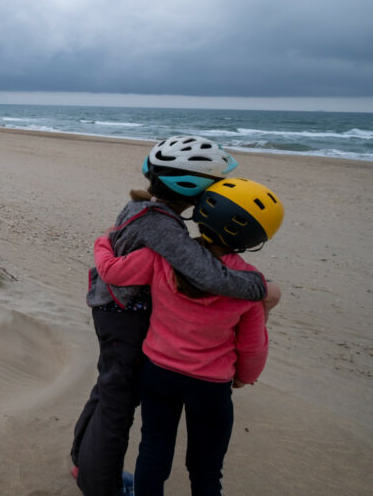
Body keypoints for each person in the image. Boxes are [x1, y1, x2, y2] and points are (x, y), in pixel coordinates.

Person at [71, 136, 278, 496]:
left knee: (110, 392)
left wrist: (103, 242)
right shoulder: (164, 228)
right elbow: (210, 275)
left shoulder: (142, 206)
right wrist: (263, 289)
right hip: (124, 317)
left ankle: (83, 460)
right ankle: (99, 485)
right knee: (118, 403)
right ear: (195, 189)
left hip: (118, 317)